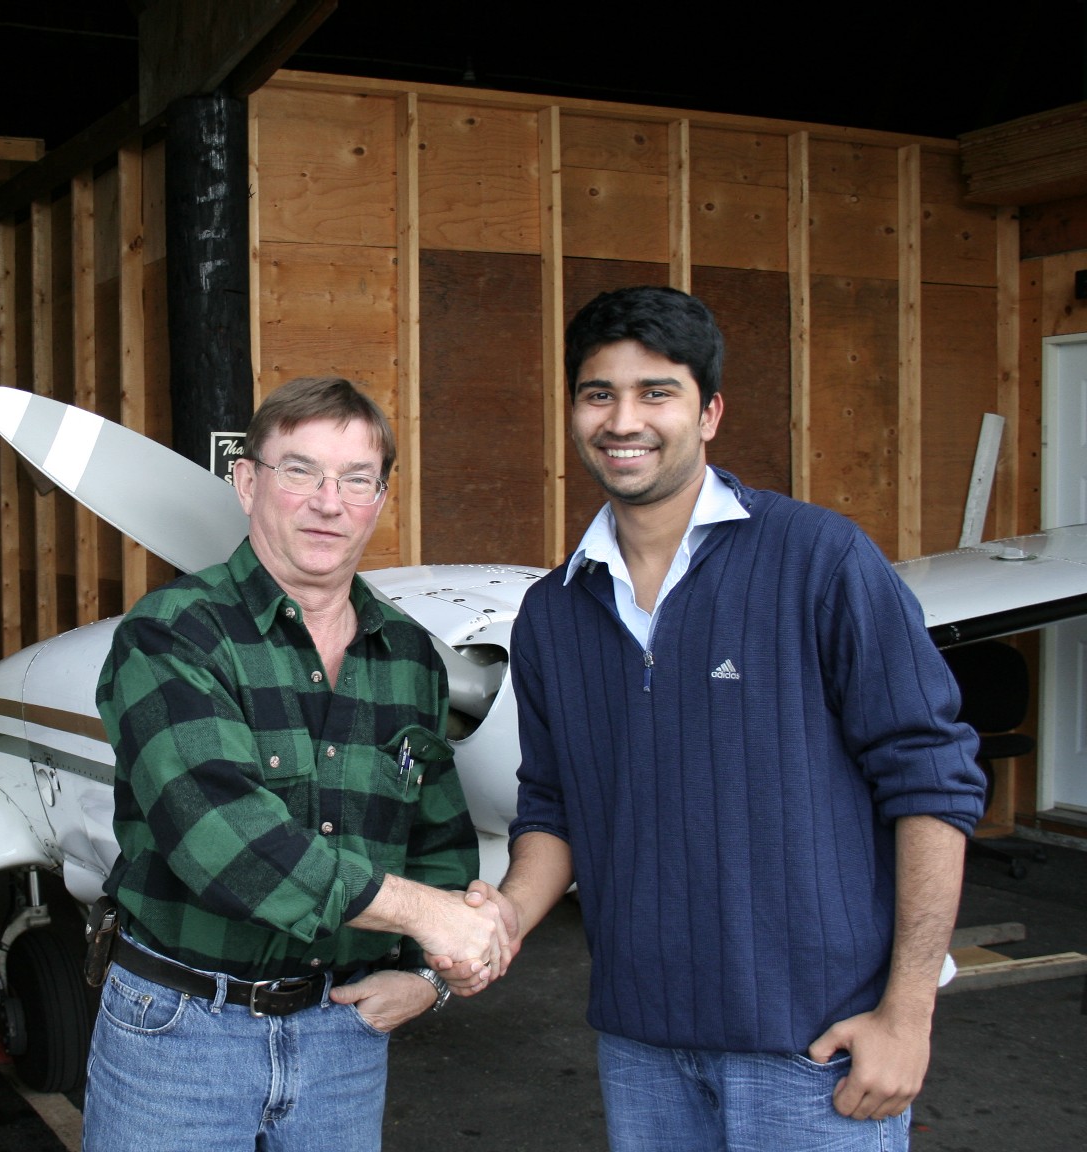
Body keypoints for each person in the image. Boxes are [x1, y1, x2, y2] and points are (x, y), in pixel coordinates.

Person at [443, 286, 985, 1150]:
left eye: (657, 392)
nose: (625, 419)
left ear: (711, 412)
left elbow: (933, 780)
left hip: (817, 1046)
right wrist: (502, 916)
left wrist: (908, 1012)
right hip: (641, 1042)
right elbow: (553, 808)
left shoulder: (820, 557)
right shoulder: (553, 611)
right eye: (599, 394)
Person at [84, 376, 504, 1152]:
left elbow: (438, 838)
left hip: (342, 1035)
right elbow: (226, 844)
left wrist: (429, 975)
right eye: (299, 470)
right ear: (247, 482)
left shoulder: (410, 657)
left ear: (380, 498)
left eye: (355, 479)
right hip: (182, 1035)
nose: (328, 501)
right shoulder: (173, 636)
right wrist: (427, 915)